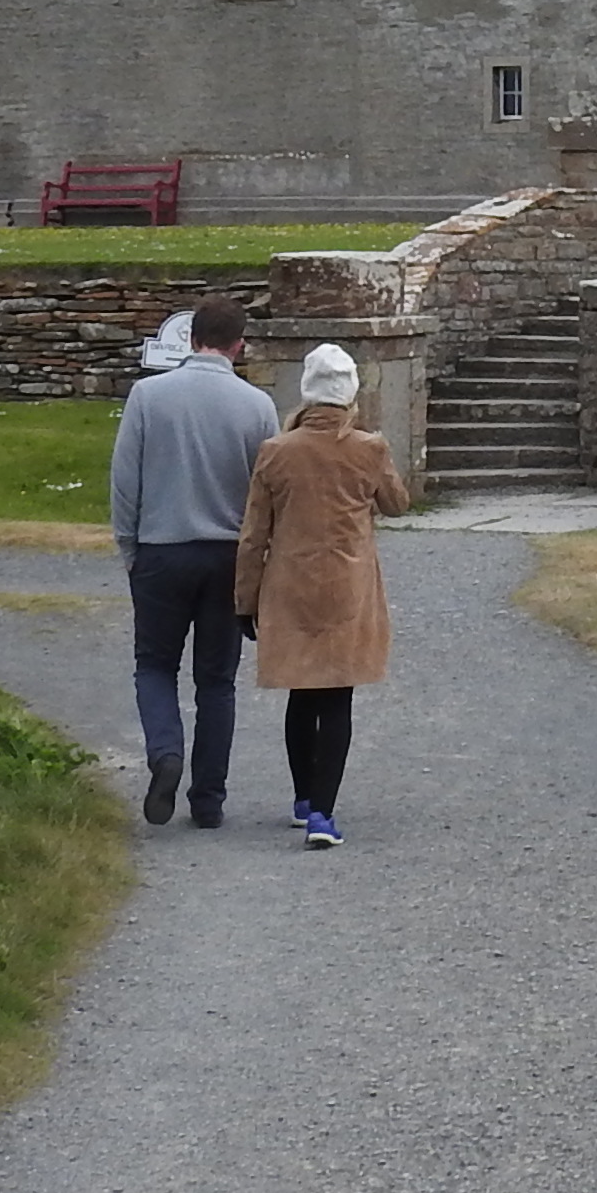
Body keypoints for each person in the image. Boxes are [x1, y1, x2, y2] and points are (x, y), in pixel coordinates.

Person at [106, 293, 277, 828]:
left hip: (162, 548)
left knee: (155, 665)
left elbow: (125, 481)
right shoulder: (258, 406)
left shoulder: (148, 396)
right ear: (238, 346)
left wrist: (130, 548)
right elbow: (265, 495)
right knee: (216, 681)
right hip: (227, 555)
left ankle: (165, 752)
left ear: (192, 338)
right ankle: (208, 799)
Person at [236, 339, 406, 848]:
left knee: (302, 692)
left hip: (290, 585)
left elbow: (254, 534)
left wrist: (245, 599)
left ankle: (304, 797)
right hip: (347, 586)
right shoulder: (368, 449)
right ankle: (323, 815)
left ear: (307, 394)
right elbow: (397, 503)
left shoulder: (277, 452)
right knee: (337, 696)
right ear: (349, 393)